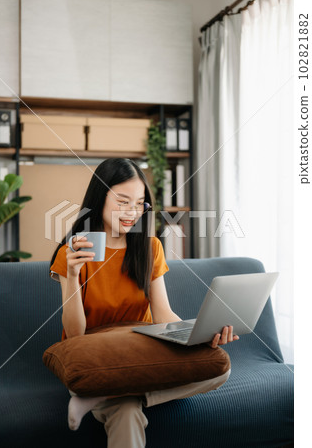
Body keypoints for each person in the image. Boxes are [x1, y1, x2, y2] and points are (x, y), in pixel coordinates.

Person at [49, 158, 238, 448]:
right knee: (124, 412)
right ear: (99, 198)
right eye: (123, 202)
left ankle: (106, 395)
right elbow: (75, 334)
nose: (132, 213)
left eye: (140, 204)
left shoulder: (150, 247)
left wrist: (199, 333)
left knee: (219, 367)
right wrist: (73, 274)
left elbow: (162, 314)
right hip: (99, 357)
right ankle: (104, 391)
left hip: (141, 349)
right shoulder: (73, 251)